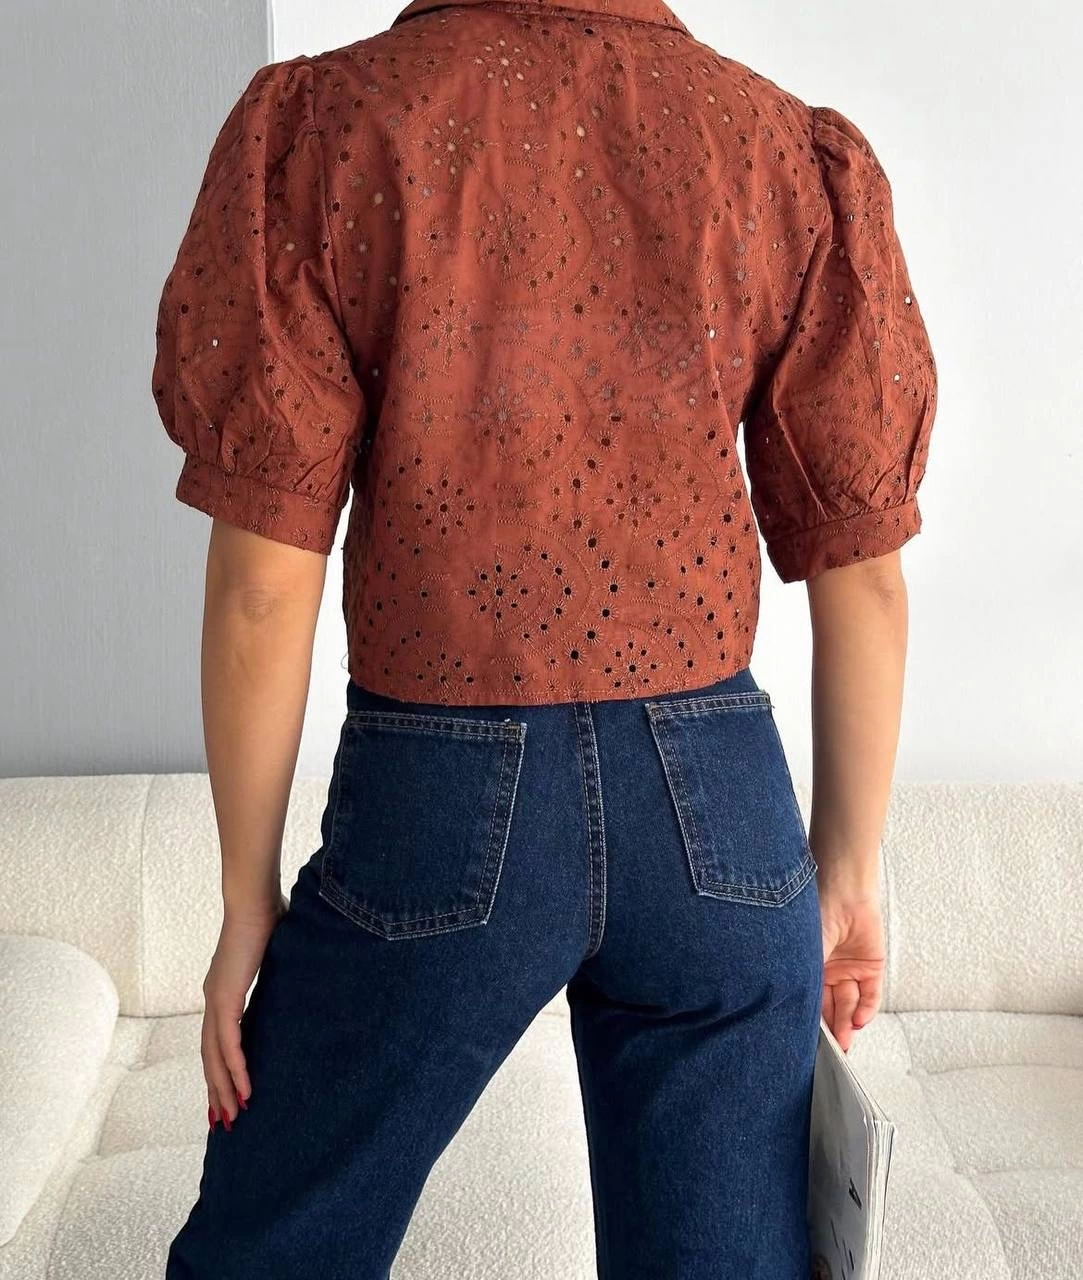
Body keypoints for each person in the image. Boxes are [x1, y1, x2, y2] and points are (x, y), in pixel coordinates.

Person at [150, 0, 938, 1275]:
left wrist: (247, 898)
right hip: (718, 815)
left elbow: (260, 583)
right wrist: (845, 874)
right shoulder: (777, 149)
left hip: (439, 793)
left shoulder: (329, 127)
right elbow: (867, 574)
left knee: (275, 1246)